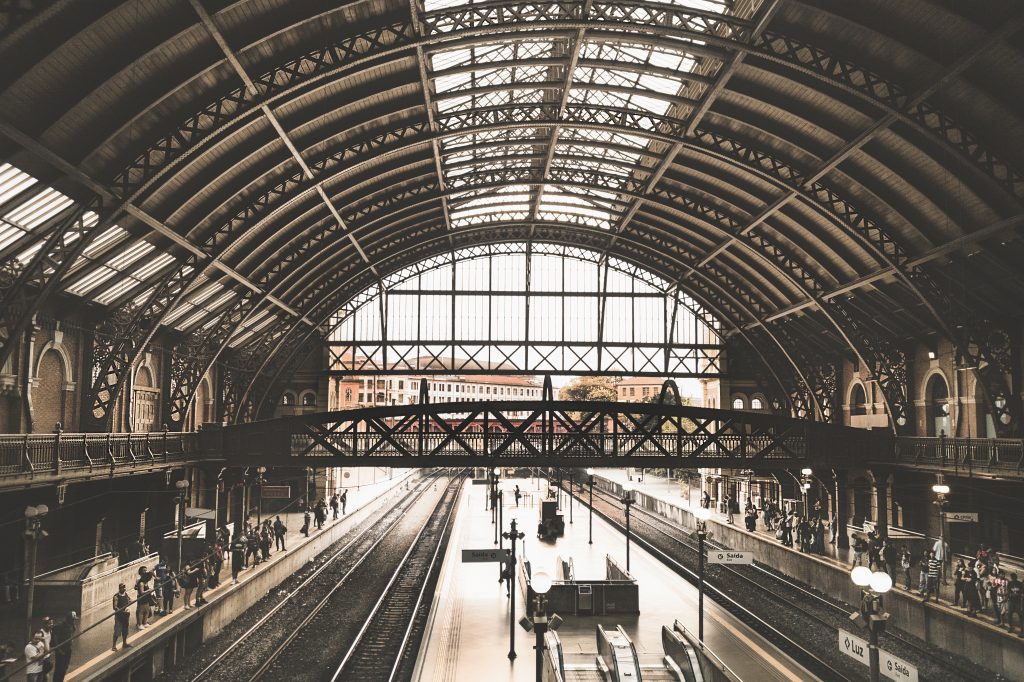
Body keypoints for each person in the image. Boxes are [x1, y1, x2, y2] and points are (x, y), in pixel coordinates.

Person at [112, 584, 132, 651]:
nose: (122, 589)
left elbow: (130, 600)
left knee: (125, 631)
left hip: (126, 616)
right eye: (121, 588)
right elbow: (115, 607)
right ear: (119, 588)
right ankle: (114, 646)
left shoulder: (126, 594)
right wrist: (122, 611)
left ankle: (124, 643)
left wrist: (128, 606)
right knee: (117, 632)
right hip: (119, 616)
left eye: (123, 588)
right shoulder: (116, 597)